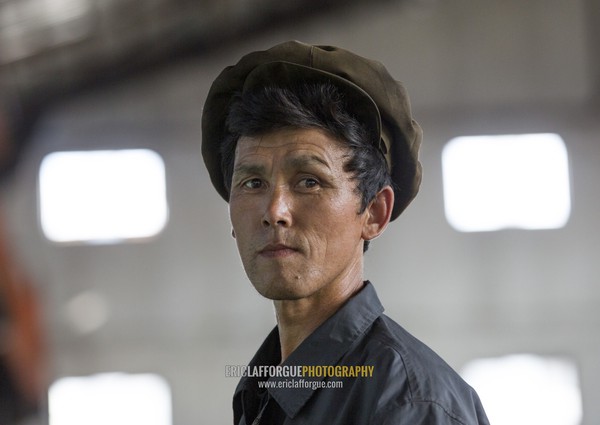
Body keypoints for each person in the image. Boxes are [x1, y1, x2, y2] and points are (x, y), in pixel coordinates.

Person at [201, 40, 489, 425]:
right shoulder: (263, 391)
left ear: (373, 212)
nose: (274, 211)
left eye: (309, 181)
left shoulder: (409, 405)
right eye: (252, 183)